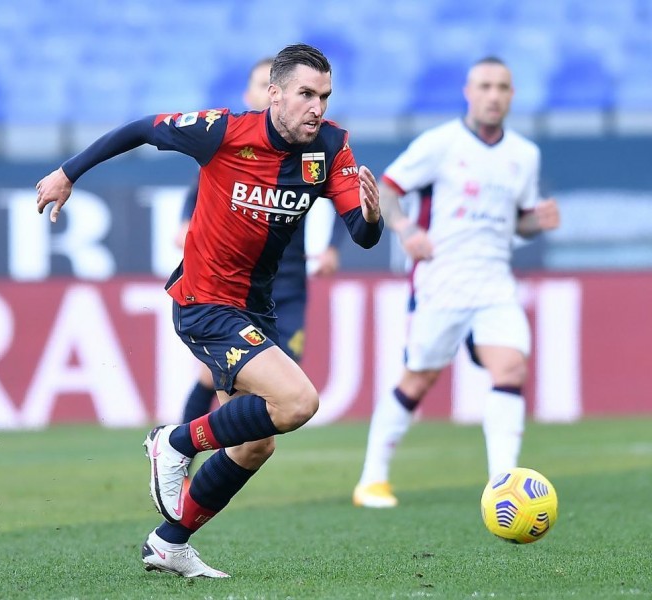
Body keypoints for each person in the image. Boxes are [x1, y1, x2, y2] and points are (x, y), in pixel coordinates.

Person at [35, 43, 383, 577]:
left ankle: (170, 543)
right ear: (275, 94)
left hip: (255, 309)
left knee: (255, 446)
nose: (317, 107)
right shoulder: (223, 132)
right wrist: (69, 172)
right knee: (299, 402)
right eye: (306, 94)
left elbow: (359, 234)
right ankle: (173, 441)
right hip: (205, 301)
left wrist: (373, 216)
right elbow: (141, 128)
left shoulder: (331, 146)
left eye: (325, 96)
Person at [352, 56, 560, 509]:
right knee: (418, 380)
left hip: (495, 281)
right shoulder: (441, 143)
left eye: (502, 87)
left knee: (511, 368)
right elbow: (387, 188)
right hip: (442, 280)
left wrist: (536, 221)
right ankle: (372, 478)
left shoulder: (525, 155)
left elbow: (518, 223)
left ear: (512, 95)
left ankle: (502, 486)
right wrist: (407, 231)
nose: (493, 95)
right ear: (469, 92)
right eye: (484, 86)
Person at [175, 57, 344, 436]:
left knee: (279, 387)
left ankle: (197, 450)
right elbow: (196, 197)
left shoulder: (311, 148)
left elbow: (343, 198)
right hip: (231, 290)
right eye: (256, 84)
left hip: (287, 284)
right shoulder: (227, 148)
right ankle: (179, 450)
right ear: (263, 93)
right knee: (216, 378)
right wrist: (185, 227)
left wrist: (333, 246)